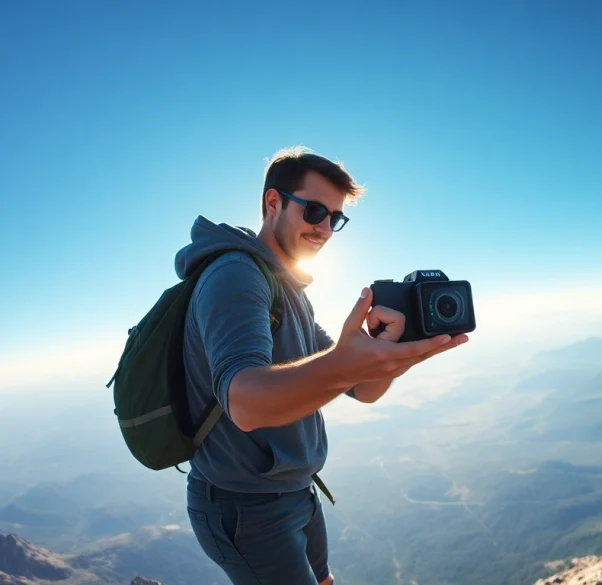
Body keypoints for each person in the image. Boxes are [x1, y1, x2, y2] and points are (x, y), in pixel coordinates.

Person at [173, 146, 468, 585]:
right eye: (314, 211)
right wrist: (349, 364)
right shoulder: (234, 275)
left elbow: (361, 389)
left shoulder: (286, 286)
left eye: (336, 218)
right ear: (273, 202)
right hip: (244, 504)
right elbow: (246, 404)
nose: (325, 229)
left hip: (296, 489)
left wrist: (390, 356)